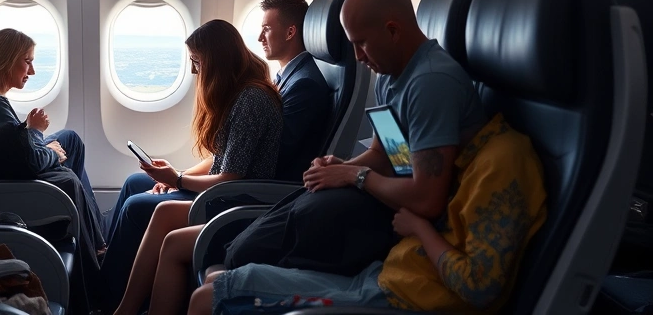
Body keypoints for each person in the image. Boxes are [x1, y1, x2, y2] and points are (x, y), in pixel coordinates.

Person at [221, 0, 488, 277]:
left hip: (413, 216)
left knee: (246, 253)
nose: (359, 57)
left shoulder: (431, 83)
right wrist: (338, 170)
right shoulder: (390, 77)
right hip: (389, 195)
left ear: (392, 31)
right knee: (265, 230)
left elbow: (428, 199)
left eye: (362, 44)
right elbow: (389, 154)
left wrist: (355, 175)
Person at [188, 112, 548, 315]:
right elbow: (396, 161)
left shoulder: (500, 164)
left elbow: (480, 287)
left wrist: (418, 227)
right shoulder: (431, 126)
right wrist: (342, 168)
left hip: (403, 299)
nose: (360, 56)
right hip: (389, 275)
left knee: (209, 295)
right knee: (218, 276)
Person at [103, 19, 284, 311]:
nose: (193, 70)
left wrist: (177, 180)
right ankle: (115, 281)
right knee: (135, 183)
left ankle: (118, 303)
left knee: (153, 208)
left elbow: (231, 177)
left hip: (238, 198)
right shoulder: (240, 94)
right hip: (226, 190)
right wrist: (179, 173)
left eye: (197, 61)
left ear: (218, 61)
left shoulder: (252, 100)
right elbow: (222, 156)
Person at [0, 28, 106, 311]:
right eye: (27, 61)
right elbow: (28, 162)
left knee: (69, 139)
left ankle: (96, 241)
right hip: (2, 187)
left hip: (1, 171)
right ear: (7, 61)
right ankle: (96, 259)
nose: (31, 71)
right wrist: (40, 140)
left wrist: (39, 141)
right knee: (67, 176)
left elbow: (12, 149)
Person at [256, 0, 332, 181]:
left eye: (266, 29)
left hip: (270, 187)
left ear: (290, 32)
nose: (260, 38)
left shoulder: (304, 85)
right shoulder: (287, 77)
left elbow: (276, 154)